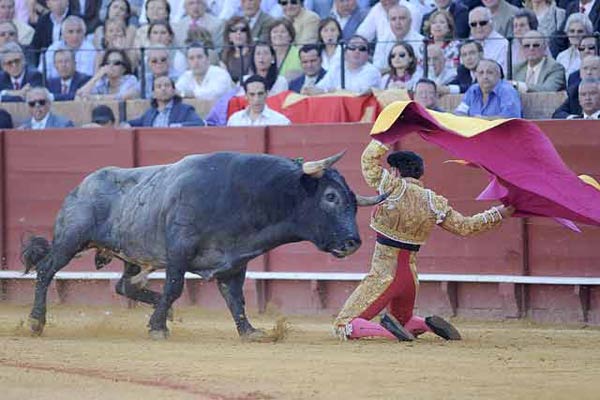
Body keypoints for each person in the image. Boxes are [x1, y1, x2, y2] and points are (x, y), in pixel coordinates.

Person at [334, 137, 515, 342]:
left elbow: (368, 160)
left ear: (394, 171)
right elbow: (466, 227)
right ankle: (423, 324)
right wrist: (499, 213)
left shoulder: (391, 187)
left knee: (344, 325)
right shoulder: (433, 201)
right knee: (404, 320)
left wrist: (387, 135)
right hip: (410, 279)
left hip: (384, 276)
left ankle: (391, 333)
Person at [454, 58, 522, 118]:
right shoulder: (473, 90)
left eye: (490, 72)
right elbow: (460, 112)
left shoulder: (507, 90)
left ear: (499, 75)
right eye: (481, 73)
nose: (485, 77)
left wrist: (483, 120)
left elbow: (511, 118)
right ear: (476, 75)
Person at [128, 75, 205, 127]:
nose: (163, 89)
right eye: (159, 86)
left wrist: (177, 126)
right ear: (153, 94)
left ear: (174, 91)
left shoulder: (185, 110)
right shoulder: (149, 113)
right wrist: (126, 124)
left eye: (167, 85)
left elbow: (199, 123)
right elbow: (134, 123)